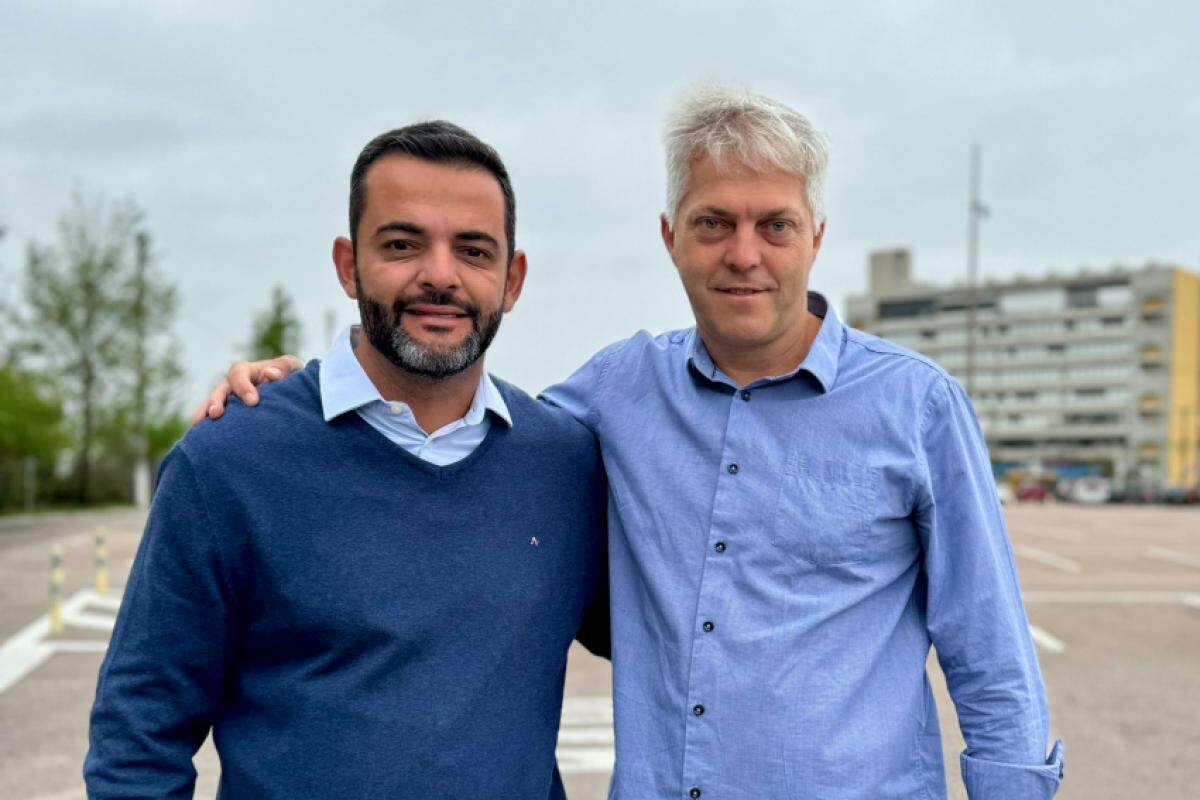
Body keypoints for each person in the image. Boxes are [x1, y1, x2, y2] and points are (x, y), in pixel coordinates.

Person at [203, 86, 1064, 799]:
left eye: (775, 225)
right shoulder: (616, 392)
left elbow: (990, 656)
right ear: (670, 237)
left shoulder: (918, 408)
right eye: (713, 223)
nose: (744, 255)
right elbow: (458, 423)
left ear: (816, 238)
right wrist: (312, 395)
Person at [85, 122, 609, 800]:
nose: (440, 275)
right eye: (402, 244)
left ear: (512, 280)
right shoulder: (230, 461)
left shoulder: (565, 465)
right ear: (348, 264)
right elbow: (139, 736)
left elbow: (688, 640)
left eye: (473, 251)